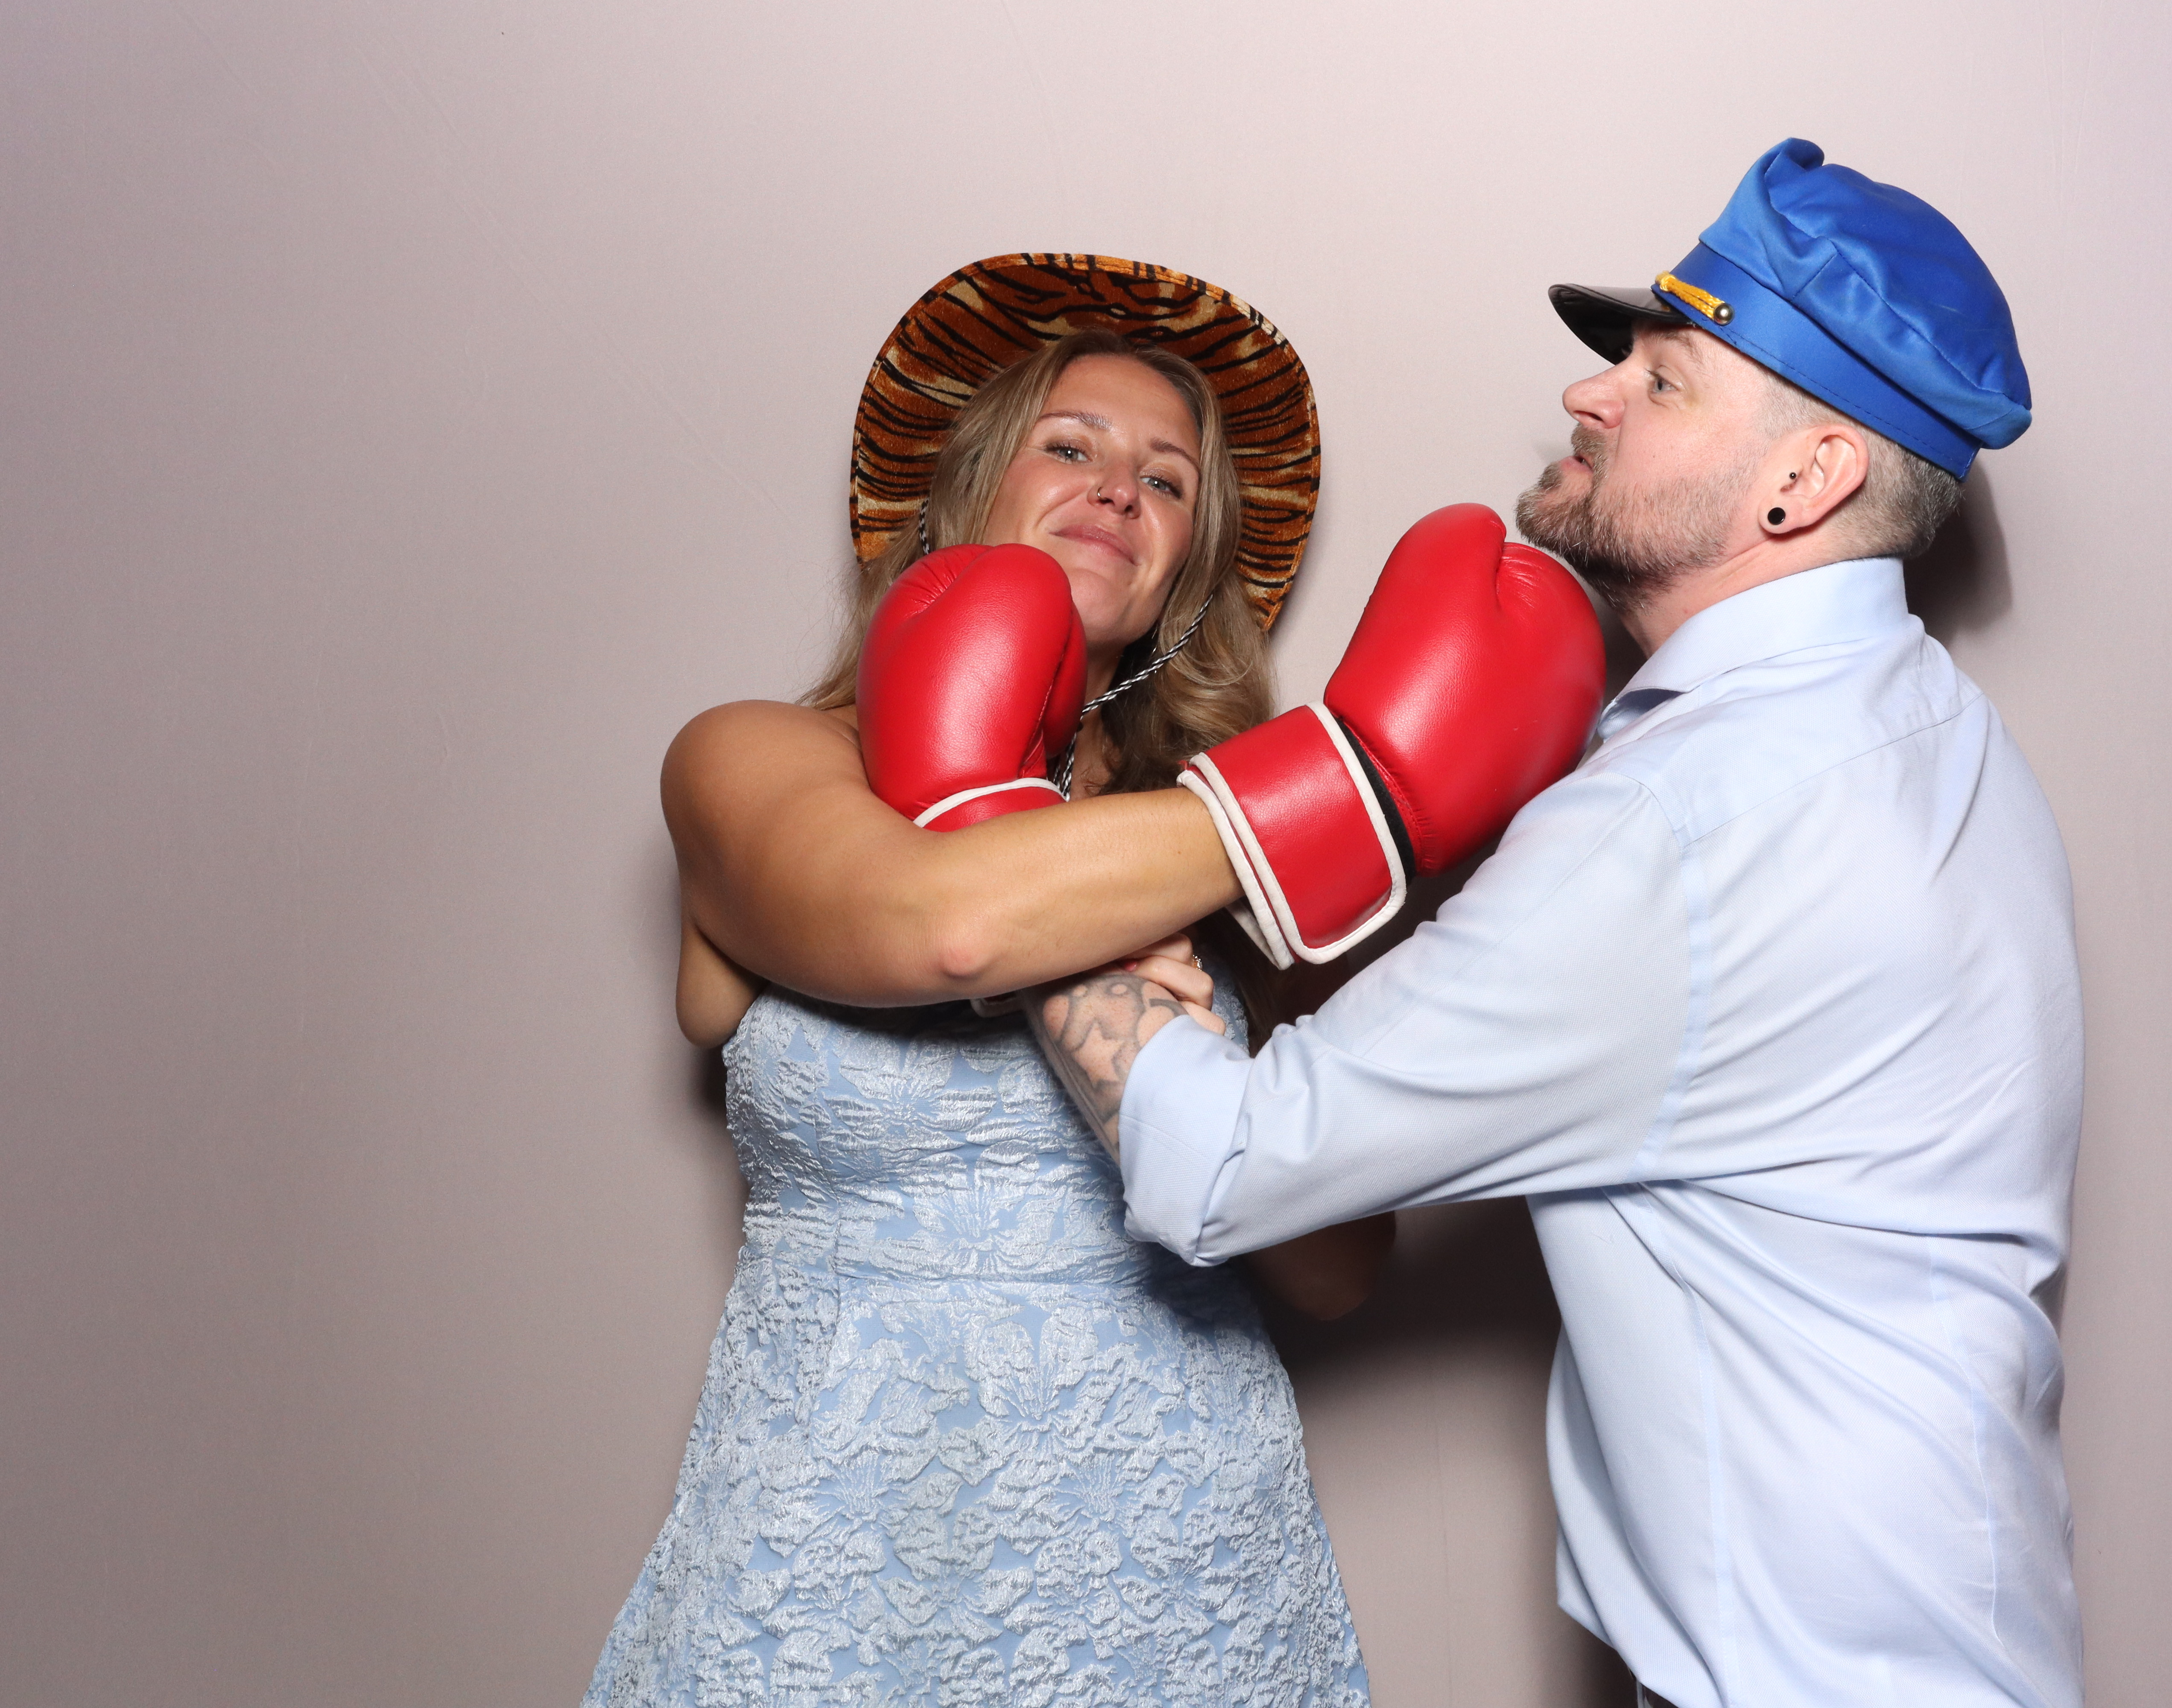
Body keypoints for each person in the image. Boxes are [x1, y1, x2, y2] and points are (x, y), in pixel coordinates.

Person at [1030, 143, 2088, 1708]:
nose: (1591, 396)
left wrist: (1004, 816)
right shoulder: (1934, 732)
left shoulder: (1682, 825)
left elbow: (1220, 1166)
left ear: (1804, 481)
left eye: (1665, 381)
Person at [586, 254, 1527, 1708]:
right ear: (968, 496)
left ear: (1185, 574)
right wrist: (1358, 794)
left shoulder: (1204, 861)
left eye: (1167, 485)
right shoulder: (753, 758)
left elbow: (1336, 1270)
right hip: (835, 1542)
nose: (1118, 493)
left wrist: (1224, 975)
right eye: (1072, 448)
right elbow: (947, 928)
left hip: (1176, 1554)